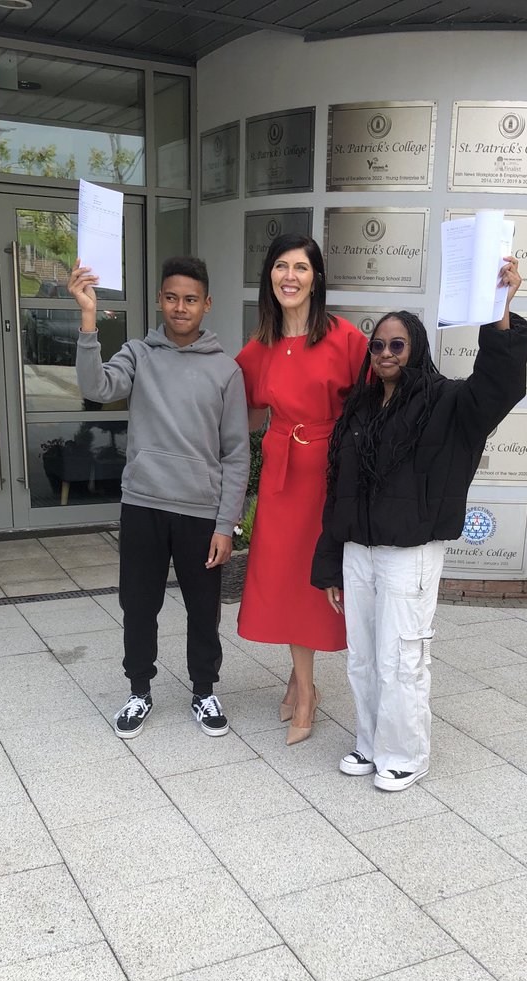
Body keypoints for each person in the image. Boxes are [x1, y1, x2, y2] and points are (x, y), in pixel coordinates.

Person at [311, 258, 527, 791]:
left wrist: (499, 312)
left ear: (416, 350)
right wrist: (330, 561)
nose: (385, 353)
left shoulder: (449, 402)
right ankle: (369, 742)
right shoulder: (359, 408)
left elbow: (499, 385)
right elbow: (340, 487)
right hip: (358, 551)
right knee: (363, 657)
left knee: (402, 656)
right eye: (378, 345)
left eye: (397, 345)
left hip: (409, 552)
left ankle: (406, 753)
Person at [69, 255, 250, 740]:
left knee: (202, 608)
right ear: (159, 300)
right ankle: (138, 691)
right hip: (144, 503)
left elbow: (236, 455)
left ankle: (204, 690)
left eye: (190, 299)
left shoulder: (226, 372)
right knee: (138, 604)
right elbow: (96, 385)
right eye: (171, 298)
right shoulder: (138, 354)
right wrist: (89, 319)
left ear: (206, 304)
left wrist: (225, 524)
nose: (180, 307)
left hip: (200, 513)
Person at [237, 234, 367, 744]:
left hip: (328, 476)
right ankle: (300, 677)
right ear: (269, 275)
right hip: (279, 476)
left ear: (316, 278)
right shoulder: (259, 344)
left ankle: (307, 691)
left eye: (301, 268)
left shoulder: (345, 338)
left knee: (315, 583)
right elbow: (239, 408)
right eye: (280, 267)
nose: (289, 277)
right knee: (284, 579)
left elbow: (373, 408)